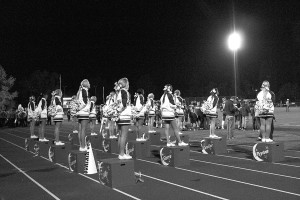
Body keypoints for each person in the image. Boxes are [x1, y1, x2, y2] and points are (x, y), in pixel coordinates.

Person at [115, 78, 132, 159]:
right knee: (124, 136)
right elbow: (124, 104)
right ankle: (122, 154)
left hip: (119, 116)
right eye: (128, 83)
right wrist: (120, 111)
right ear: (125, 84)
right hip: (124, 115)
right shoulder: (124, 91)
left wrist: (117, 113)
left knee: (120, 135)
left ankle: (121, 153)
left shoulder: (118, 92)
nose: (128, 85)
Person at [76, 79, 91, 151]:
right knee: (83, 130)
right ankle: (82, 146)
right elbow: (85, 102)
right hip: (83, 112)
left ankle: (81, 145)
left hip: (80, 113)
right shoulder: (84, 90)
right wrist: (80, 108)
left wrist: (79, 109)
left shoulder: (80, 91)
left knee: (80, 130)